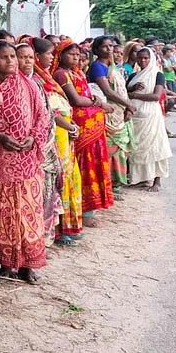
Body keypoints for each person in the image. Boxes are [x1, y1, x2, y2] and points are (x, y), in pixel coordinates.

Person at [0, 41, 50, 283]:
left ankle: (27, 265)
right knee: (2, 211)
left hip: (25, 159)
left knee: (28, 211)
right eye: (4, 57)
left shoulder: (30, 85)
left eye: (13, 56)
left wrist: (32, 138)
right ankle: (6, 264)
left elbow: (42, 116)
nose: (11, 61)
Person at [53, 40, 113, 228]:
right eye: (71, 54)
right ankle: (84, 212)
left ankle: (91, 209)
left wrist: (95, 103)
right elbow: (76, 99)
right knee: (84, 167)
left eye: (78, 55)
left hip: (92, 130)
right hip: (79, 129)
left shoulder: (78, 72)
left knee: (94, 166)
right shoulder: (61, 74)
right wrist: (98, 103)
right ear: (60, 55)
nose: (76, 57)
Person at [32, 38, 83, 245]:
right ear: (38, 57)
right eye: (49, 54)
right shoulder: (38, 79)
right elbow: (50, 112)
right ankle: (59, 230)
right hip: (56, 134)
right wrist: (69, 126)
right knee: (56, 179)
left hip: (64, 134)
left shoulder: (46, 78)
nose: (51, 57)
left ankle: (67, 227)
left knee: (67, 177)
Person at [17, 42, 62, 246]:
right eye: (21, 57)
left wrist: (41, 139)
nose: (26, 61)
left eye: (29, 57)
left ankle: (41, 238)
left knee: (44, 193)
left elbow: (46, 116)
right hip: (21, 151)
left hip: (43, 146)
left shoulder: (36, 82)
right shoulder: (8, 85)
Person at [89, 36, 134, 197]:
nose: (109, 49)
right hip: (107, 113)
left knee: (119, 151)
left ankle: (116, 185)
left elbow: (121, 89)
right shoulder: (97, 67)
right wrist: (128, 104)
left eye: (111, 46)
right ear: (96, 50)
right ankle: (105, 186)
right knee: (107, 151)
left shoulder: (113, 67)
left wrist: (126, 105)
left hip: (119, 112)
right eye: (104, 47)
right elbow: (108, 92)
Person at [127, 47, 172, 191]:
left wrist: (135, 96)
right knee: (137, 148)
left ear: (151, 58)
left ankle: (156, 182)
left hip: (151, 116)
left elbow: (156, 96)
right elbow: (125, 92)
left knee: (155, 147)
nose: (142, 61)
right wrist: (132, 89)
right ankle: (141, 178)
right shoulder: (134, 75)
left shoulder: (158, 74)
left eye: (146, 58)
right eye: (140, 58)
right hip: (135, 115)